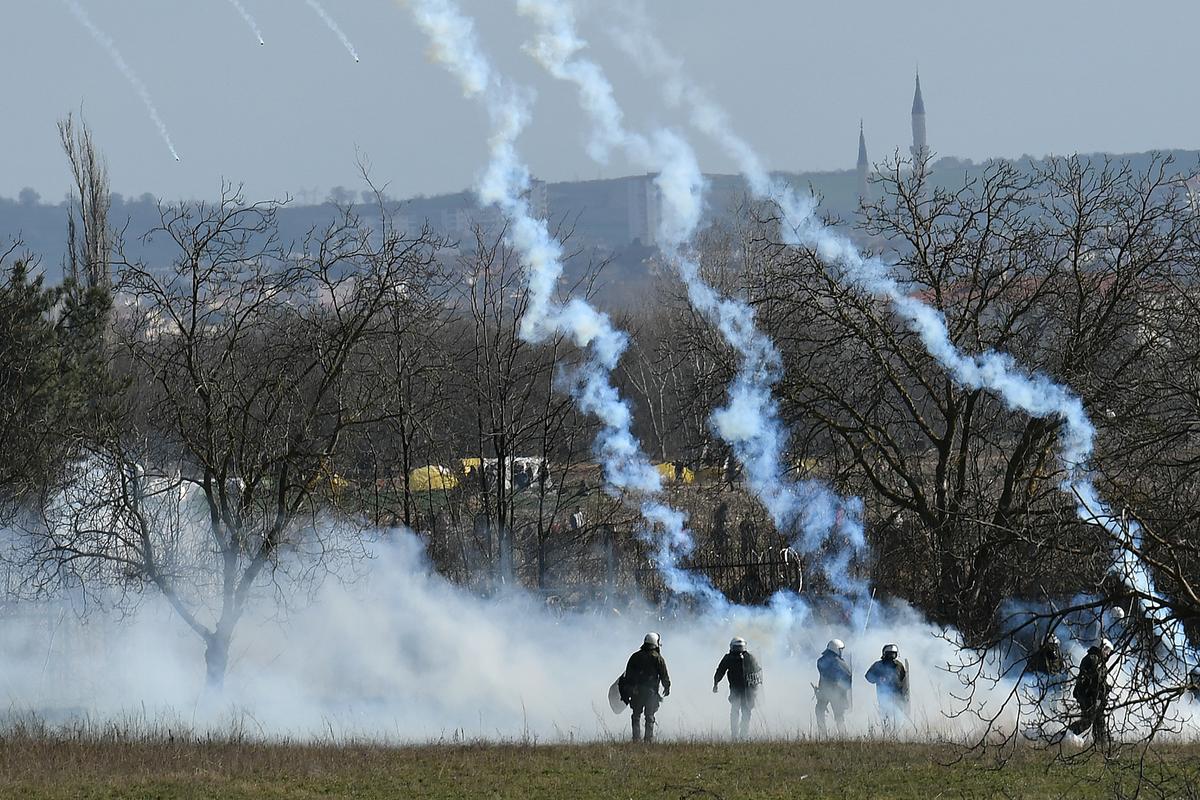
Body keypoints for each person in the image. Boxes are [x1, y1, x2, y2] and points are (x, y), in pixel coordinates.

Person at [619, 632, 671, 742]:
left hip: (636, 691)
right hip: (651, 693)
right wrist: (667, 687)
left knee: (636, 715)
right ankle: (648, 740)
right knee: (649, 716)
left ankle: (636, 739)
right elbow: (664, 675)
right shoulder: (658, 658)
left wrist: (627, 691)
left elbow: (628, 675)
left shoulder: (635, 656)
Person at [713, 636, 762, 740]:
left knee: (740, 711)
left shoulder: (744, 657)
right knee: (742, 711)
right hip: (741, 690)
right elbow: (720, 671)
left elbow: (756, 672)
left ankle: (739, 734)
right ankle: (739, 734)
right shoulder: (744, 657)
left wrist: (716, 683)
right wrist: (716, 683)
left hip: (744, 690)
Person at [1068, 638, 1112, 744]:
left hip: (1093, 695)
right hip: (1088, 695)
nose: (1108, 654)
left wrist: (1105, 688)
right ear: (1102, 648)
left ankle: (1102, 744)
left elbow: (1100, 680)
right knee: (1088, 720)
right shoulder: (1093, 659)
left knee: (1099, 720)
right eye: (1107, 650)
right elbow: (1091, 679)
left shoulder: (1098, 660)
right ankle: (1067, 735)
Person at [815, 638, 852, 736]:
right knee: (839, 716)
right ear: (836, 649)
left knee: (819, 711)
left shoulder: (821, 660)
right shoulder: (839, 662)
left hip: (823, 690)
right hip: (836, 692)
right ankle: (843, 735)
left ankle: (823, 734)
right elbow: (848, 676)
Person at [865, 643, 909, 725]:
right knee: (886, 717)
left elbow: (904, 680)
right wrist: (878, 678)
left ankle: (897, 735)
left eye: (893, 654)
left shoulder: (899, 666)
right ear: (885, 654)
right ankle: (886, 734)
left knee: (898, 718)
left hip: (898, 697)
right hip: (884, 697)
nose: (891, 656)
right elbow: (868, 676)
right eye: (889, 654)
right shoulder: (878, 665)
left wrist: (904, 696)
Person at [1026, 632, 1069, 711]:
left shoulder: (1057, 657)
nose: (1053, 650)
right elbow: (1029, 672)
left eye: (1054, 647)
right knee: (1047, 707)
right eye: (1051, 646)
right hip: (1046, 687)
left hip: (1052, 687)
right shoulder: (1039, 656)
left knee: (1052, 707)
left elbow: (1064, 670)